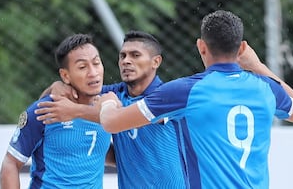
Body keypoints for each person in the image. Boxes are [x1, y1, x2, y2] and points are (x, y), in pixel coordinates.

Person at [94, 10, 293, 188]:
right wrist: (258, 66)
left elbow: (112, 122)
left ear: (201, 46)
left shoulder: (187, 91)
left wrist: (109, 103)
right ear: (242, 48)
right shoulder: (266, 88)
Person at [36, 31, 188, 188]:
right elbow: (59, 99)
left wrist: (75, 110)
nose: (126, 61)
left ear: (155, 62)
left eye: (135, 55)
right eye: (123, 56)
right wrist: (56, 86)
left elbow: (121, 118)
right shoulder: (112, 95)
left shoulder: (167, 96)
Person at [0, 34, 112, 188]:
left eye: (96, 63)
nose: (93, 72)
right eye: (82, 67)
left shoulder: (111, 104)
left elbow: (111, 154)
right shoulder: (45, 110)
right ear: (65, 75)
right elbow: (11, 163)